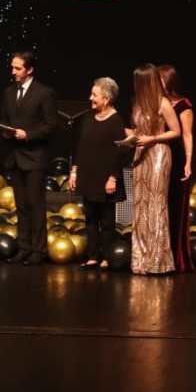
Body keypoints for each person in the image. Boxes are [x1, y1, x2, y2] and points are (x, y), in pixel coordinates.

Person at [0, 50, 59, 265]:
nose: (13, 72)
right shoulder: (9, 92)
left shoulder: (44, 93)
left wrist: (28, 135)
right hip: (15, 156)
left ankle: (38, 249)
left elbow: (51, 125)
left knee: (35, 205)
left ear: (30, 70)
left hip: (35, 157)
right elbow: (5, 119)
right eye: (12, 67)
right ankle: (24, 247)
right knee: (22, 206)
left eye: (18, 68)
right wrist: (6, 131)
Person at [127, 63, 181, 275]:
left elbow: (175, 131)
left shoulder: (163, 103)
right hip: (141, 154)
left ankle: (158, 261)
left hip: (158, 154)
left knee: (156, 204)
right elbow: (138, 129)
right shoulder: (138, 104)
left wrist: (153, 138)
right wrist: (129, 136)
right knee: (140, 205)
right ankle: (141, 259)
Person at [69, 77, 128, 269]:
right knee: (91, 219)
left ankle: (107, 257)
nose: (90, 98)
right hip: (88, 176)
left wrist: (113, 178)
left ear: (106, 98)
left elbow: (120, 153)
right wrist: (74, 171)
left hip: (106, 179)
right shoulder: (88, 117)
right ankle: (93, 256)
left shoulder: (116, 121)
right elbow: (80, 147)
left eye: (94, 95)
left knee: (107, 221)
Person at [158, 64, 195, 272]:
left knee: (176, 207)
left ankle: (177, 257)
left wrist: (188, 161)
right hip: (159, 159)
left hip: (178, 158)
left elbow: (187, 134)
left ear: (169, 81)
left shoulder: (183, 105)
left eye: (160, 79)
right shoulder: (158, 103)